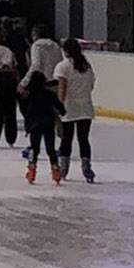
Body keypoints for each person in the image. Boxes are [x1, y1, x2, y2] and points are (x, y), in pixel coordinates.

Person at [55, 38, 97, 183]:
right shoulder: (87, 66)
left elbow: (62, 89)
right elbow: (92, 85)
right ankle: (86, 168)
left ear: (65, 51)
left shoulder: (63, 67)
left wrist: (58, 106)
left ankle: (63, 169)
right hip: (85, 107)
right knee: (83, 139)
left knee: (66, 139)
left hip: (69, 108)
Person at [20, 69, 64, 184]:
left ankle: (32, 170)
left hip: (34, 125)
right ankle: (56, 171)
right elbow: (61, 109)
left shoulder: (29, 95)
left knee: (34, 148)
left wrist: (28, 119)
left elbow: (24, 108)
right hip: (48, 124)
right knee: (50, 149)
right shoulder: (50, 94)